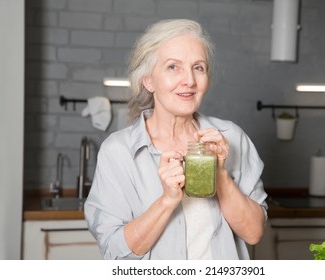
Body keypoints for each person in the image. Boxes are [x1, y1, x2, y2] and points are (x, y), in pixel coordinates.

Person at [84, 19, 268, 260]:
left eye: (198, 67)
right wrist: (167, 201)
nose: (189, 80)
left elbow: (254, 233)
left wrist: (221, 175)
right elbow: (114, 251)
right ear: (148, 80)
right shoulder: (119, 152)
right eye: (173, 67)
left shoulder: (232, 138)